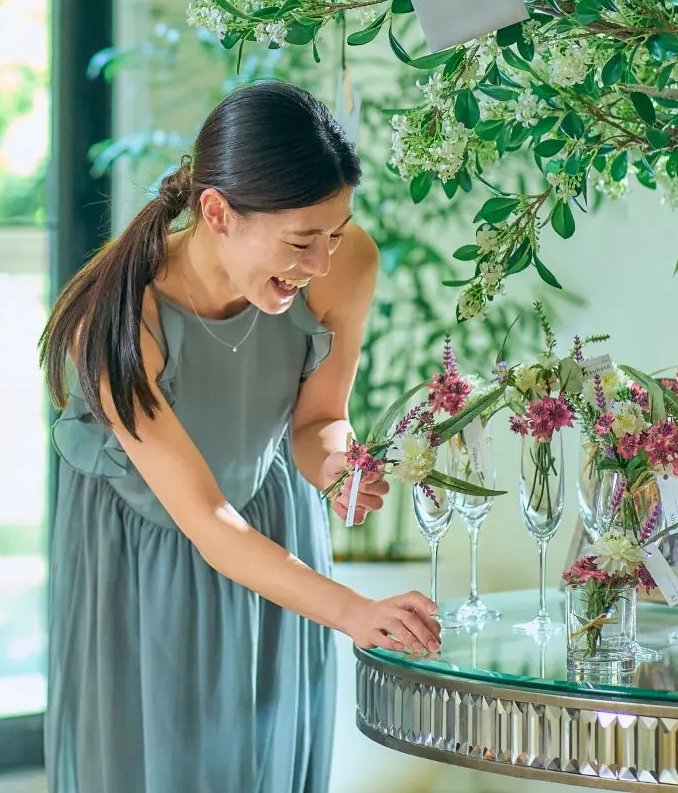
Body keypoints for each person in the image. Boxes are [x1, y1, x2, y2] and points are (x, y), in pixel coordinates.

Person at [42, 81, 440, 793]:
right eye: (299, 240)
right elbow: (205, 518)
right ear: (216, 211)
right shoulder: (117, 320)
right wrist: (355, 610)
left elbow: (317, 422)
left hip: (271, 526)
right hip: (145, 553)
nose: (319, 262)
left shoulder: (343, 266)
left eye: (334, 235)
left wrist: (339, 467)